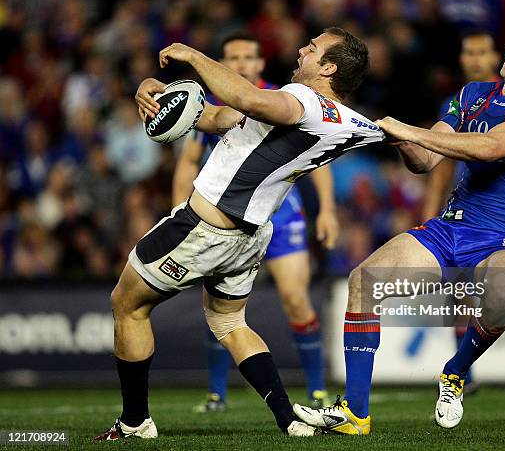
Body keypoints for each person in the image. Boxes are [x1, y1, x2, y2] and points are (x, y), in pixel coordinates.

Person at [95, 26, 384, 440]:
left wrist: (194, 57)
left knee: (127, 305)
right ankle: (289, 420)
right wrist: (160, 93)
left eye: (313, 48)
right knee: (230, 323)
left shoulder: (300, 99)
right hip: (249, 238)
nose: (301, 48)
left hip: (205, 228)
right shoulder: (341, 119)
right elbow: (217, 116)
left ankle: (134, 422)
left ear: (329, 68)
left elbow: (244, 98)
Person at [293, 20, 505, 434]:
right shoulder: (472, 95)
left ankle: (455, 373)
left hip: (503, 240)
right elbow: (425, 161)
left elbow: (492, 147)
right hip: (449, 228)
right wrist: (401, 140)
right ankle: (355, 413)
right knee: (363, 281)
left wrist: (410, 130)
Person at [172, 32, 337, 412]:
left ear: (261, 64)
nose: (242, 64)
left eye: (249, 57)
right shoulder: (210, 106)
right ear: (224, 63)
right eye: (234, 57)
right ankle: (217, 394)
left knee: (296, 300)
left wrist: (326, 209)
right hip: (225, 220)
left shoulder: (285, 99)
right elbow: (186, 165)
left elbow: (320, 157)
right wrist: (183, 213)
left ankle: (316, 389)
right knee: (218, 307)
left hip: (282, 216)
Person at [423, 30, 505, 397]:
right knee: (459, 292)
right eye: (467, 52)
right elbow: (438, 166)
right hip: (461, 213)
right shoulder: (458, 102)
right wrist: (429, 214)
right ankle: (464, 376)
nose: (473, 58)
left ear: (495, 58)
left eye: (481, 52)